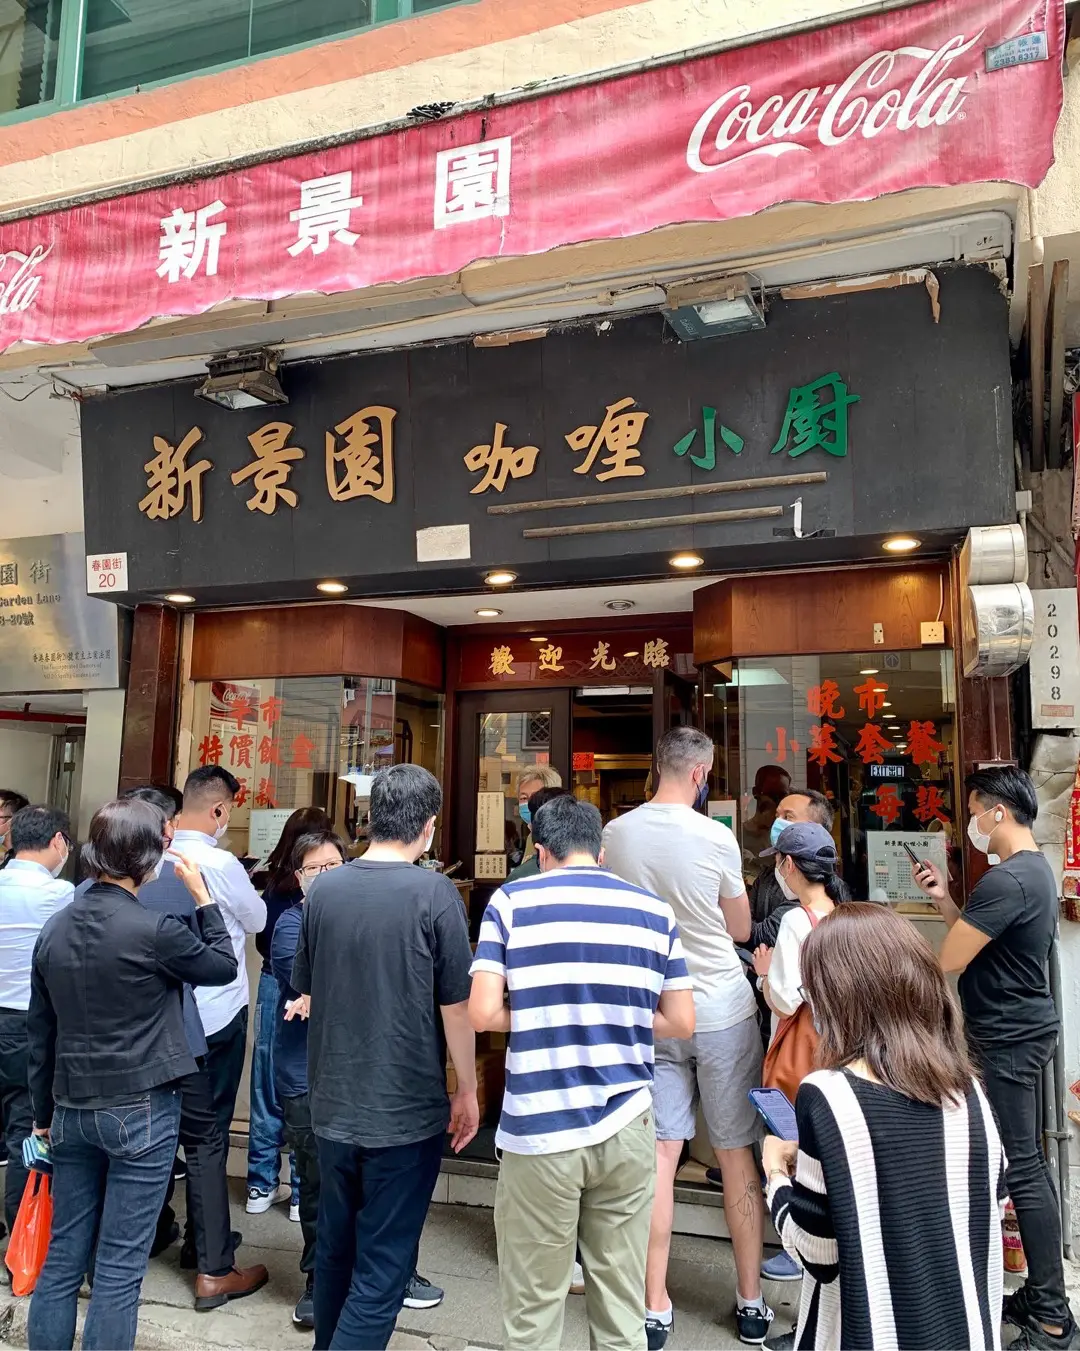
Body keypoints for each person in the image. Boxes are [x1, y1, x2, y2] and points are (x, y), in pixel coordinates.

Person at [470, 794, 695, 1351]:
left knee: (533, 1313)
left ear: (541, 851)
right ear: (600, 851)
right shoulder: (653, 910)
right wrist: (616, 1016)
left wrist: (543, 1011)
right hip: (628, 1125)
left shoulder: (511, 902)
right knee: (621, 1310)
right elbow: (681, 1020)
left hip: (540, 1129)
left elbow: (483, 1012)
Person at [25, 798, 247, 1351]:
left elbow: (41, 1034)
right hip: (141, 1107)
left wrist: (42, 1116)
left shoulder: (55, 929)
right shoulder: (154, 929)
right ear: (149, 860)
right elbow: (222, 965)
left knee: (62, 1257)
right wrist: (203, 897)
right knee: (119, 1269)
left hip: (71, 1107)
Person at [291, 763, 479, 1350]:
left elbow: (306, 985)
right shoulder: (435, 893)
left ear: (373, 819)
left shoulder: (324, 890)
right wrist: (468, 1088)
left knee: (336, 1251)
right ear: (428, 826)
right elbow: (456, 1006)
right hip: (403, 1109)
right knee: (383, 1267)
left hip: (332, 1102)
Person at [763, 904, 1008, 1351]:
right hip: (967, 1333)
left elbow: (817, 1255)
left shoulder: (828, 1095)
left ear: (838, 998)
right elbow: (991, 1204)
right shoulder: (969, 1091)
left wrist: (776, 1174)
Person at [602, 726, 770, 1349]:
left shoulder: (615, 834)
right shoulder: (715, 837)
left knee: (660, 1156)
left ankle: (654, 1305)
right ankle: (751, 1300)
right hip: (719, 1007)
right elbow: (740, 927)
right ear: (700, 775)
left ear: (658, 768)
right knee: (735, 1154)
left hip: (651, 1010)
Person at [913, 766, 1075, 1350]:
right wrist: (943, 899)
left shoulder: (1007, 880)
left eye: (975, 811)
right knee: (1024, 1163)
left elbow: (950, 959)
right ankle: (1041, 1294)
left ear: (999, 812)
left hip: (1006, 1037)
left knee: (1024, 1168)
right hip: (1019, 1029)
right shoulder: (1033, 870)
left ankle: (1051, 1319)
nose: (972, 823)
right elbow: (976, 941)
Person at [110, 785, 265, 1307]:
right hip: (195, 1029)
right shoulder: (186, 886)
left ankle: (143, 1239)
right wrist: (205, 901)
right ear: (165, 828)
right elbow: (227, 953)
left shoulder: (84, 897)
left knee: (143, 1136)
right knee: (205, 1138)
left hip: (127, 1043)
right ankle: (210, 1259)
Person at [272, 828, 346, 1329]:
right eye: (315, 869)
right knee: (316, 1185)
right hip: (304, 1075)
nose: (324, 876)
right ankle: (319, 1281)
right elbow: (311, 981)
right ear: (299, 878)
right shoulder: (289, 926)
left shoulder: (357, 918)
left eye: (334, 866)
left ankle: (389, 1275)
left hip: (352, 1074)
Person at [173, 766, 267, 1149]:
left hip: (163, 1012)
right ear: (218, 810)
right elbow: (257, 920)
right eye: (229, 810)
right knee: (211, 1123)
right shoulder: (222, 864)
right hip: (218, 1010)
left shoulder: (156, 854)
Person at [246, 807, 329, 1218]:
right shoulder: (315, 891)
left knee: (266, 1083)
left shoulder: (273, 883)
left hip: (270, 983)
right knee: (300, 1086)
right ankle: (300, 1191)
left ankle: (260, 1184)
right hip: (299, 989)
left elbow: (262, 941)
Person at [0, 805, 73, 1234]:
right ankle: (20, 1240)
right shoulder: (59, 894)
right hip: (25, 1025)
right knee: (24, 1130)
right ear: (58, 841)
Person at [752, 822, 847, 1039]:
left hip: (805, 1045)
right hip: (835, 1039)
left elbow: (784, 1005)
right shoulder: (842, 911)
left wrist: (764, 974)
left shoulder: (795, 919)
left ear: (789, 864)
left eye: (777, 862)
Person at [505, 786, 571, 883]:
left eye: (534, 795)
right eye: (523, 798)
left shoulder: (521, 878)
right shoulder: (589, 871)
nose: (527, 802)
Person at [741, 765, 792, 884]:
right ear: (756, 793)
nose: (776, 802)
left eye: (782, 796)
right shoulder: (739, 835)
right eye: (771, 794)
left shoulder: (787, 834)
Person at [512, 765, 563, 872]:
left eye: (535, 797)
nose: (529, 803)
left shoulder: (563, 837)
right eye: (524, 798)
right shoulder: (531, 836)